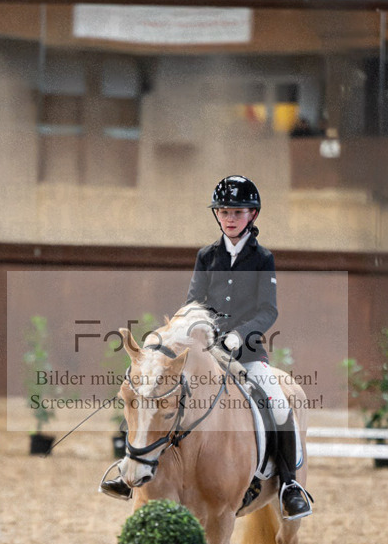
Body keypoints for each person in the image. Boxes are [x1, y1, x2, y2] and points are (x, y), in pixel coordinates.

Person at [100, 175, 312, 522]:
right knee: (151, 393)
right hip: (204, 353)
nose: (230, 218)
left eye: (238, 212)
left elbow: (267, 310)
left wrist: (239, 334)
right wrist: (183, 333)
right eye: (224, 211)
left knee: (277, 405)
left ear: (252, 215)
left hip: (247, 354)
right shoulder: (207, 256)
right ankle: (131, 468)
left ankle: (289, 484)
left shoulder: (263, 258)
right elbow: (192, 303)